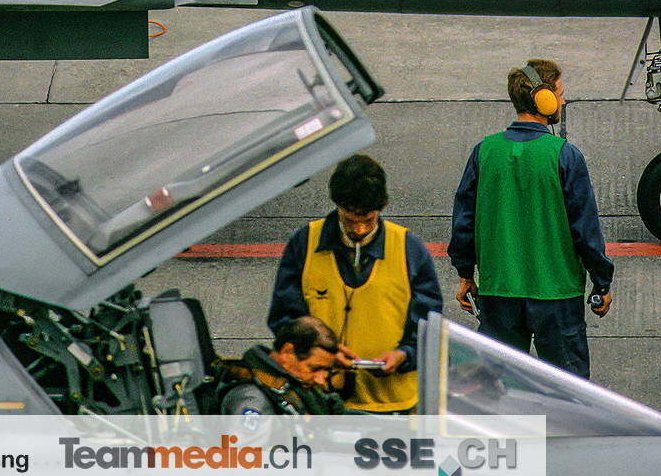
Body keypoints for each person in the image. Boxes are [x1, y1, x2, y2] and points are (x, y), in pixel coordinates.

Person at [448, 59, 613, 379]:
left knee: (501, 392)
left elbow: (464, 220)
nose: (563, 102)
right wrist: (602, 280)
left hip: (499, 293)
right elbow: (585, 229)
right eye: (560, 95)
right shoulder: (565, 155)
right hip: (557, 295)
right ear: (544, 99)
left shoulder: (484, 151)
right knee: (567, 392)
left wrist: (465, 274)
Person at [268, 153, 443, 412]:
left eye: (368, 220)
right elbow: (284, 318)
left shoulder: (409, 249)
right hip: (321, 398)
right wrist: (325, 352)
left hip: (396, 403)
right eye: (350, 220)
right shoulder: (304, 244)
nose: (359, 230)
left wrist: (405, 354)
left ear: (381, 207)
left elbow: (430, 324)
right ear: (337, 205)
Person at [210, 315, 344, 416]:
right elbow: (251, 452)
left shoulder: (294, 388)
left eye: (326, 370)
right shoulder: (253, 399)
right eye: (315, 368)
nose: (321, 379)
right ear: (287, 352)